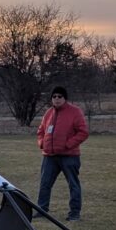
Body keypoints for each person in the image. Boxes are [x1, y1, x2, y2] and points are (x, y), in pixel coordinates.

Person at [35, 86, 89, 221]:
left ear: (65, 98)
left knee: (73, 185)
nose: (57, 99)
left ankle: (74, 213)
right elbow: (41, 131)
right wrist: (42, 143)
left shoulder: (75, 112)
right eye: (54, 97)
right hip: (49, 157)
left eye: (60, 96)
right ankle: (42, 210)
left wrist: (67, 145)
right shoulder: (48, 113)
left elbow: (83, 132)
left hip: (69, 156)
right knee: (45, 184)